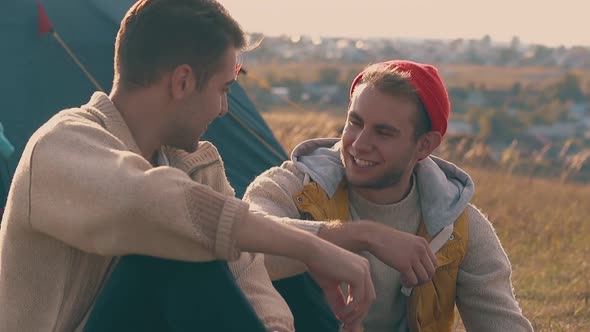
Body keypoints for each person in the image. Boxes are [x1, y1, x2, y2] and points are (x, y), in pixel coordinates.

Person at [0, 1, 376, 331]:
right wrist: (313, 248)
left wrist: (274, 324)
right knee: (174, 251)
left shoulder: (196, 166)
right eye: (223, 89)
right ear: (182, 81)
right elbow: (150, 203)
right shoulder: (61, 144)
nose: (223, 108)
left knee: (284, 267)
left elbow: (245, 264)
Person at [243, 60, 534, 332]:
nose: (359, 143)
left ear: (424, 146)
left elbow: (502, 324)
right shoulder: (294, 186)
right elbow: (241, 243)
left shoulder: (458, 227)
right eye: (355, 122)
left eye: (383, 133)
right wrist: (364, 235)